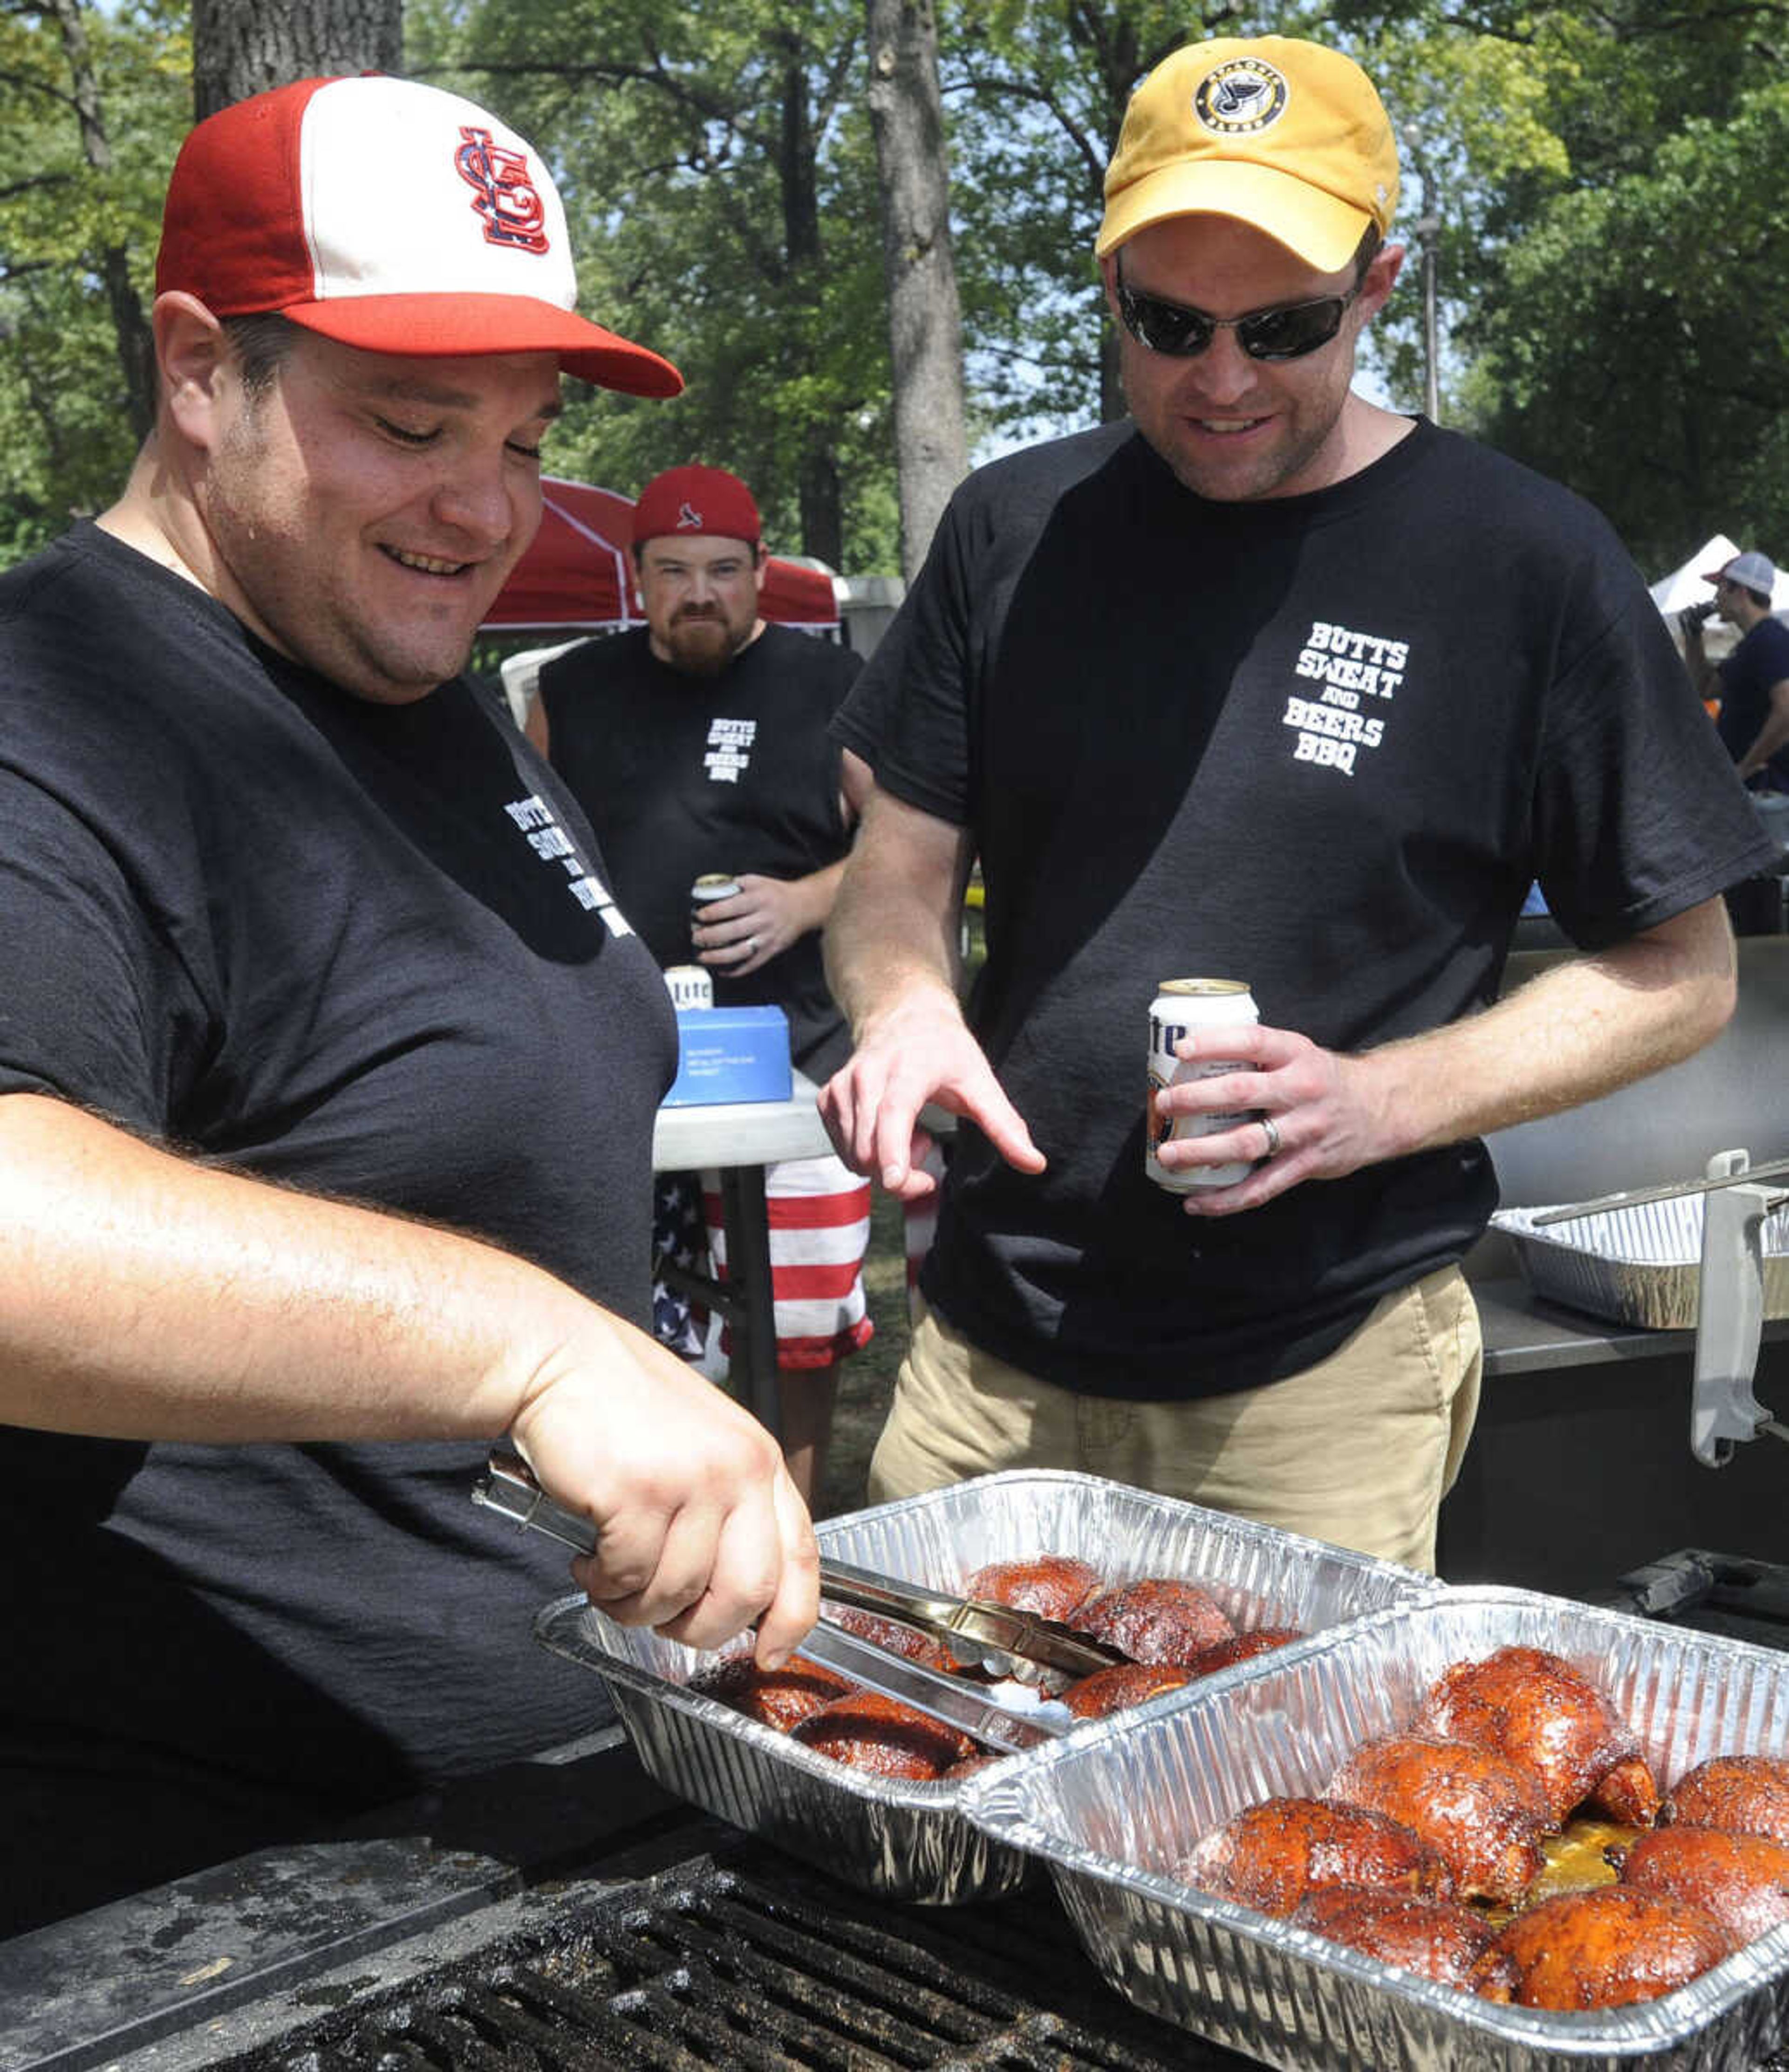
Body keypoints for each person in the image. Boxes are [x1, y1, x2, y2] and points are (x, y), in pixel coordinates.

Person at [0, 74, 817, 1935]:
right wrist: (530, 1346)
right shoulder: (56, 714)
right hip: (221, 1907)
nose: (488, 506)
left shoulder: (417, 680)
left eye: (525, 438)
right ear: (203, 372)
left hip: (549, 1832)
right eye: (412, 421)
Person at [818, 34, 1777, 1575]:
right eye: (1168, 321)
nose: (1220, 378)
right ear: (1112, 282)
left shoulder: (1523, 563)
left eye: (1282, 325)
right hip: (991, 1358)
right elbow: (898, 861)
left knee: (1284, 1812)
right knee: (926, 1801)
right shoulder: (1017, 525)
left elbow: (1686, 974)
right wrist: (901, 1006)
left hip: (1322, 1380)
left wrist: (1374, 1099)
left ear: (1378, 284)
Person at [529, 467, 875, 1504]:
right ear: (637, 578)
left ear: (761, 572)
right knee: (620, 1335)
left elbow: (914, 848)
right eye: (673, 571)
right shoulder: (575, 688)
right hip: (624, 1065)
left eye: (724, 570)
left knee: (801, 1336)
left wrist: (808, 901)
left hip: (798, 1065)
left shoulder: (830, 683)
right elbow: (532, 849)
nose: (699, 593)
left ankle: (795, 1531)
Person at [1682, 549, 1789, 791]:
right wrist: (1693, 634)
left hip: (1770, 792)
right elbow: (1705, 687)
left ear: (1740, 592)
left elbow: (1788, 710)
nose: (1716, 597)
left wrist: (1746, 766)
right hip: (1756, 791)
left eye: (1720, 587)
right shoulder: (1751, 645)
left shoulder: (1770, 639)